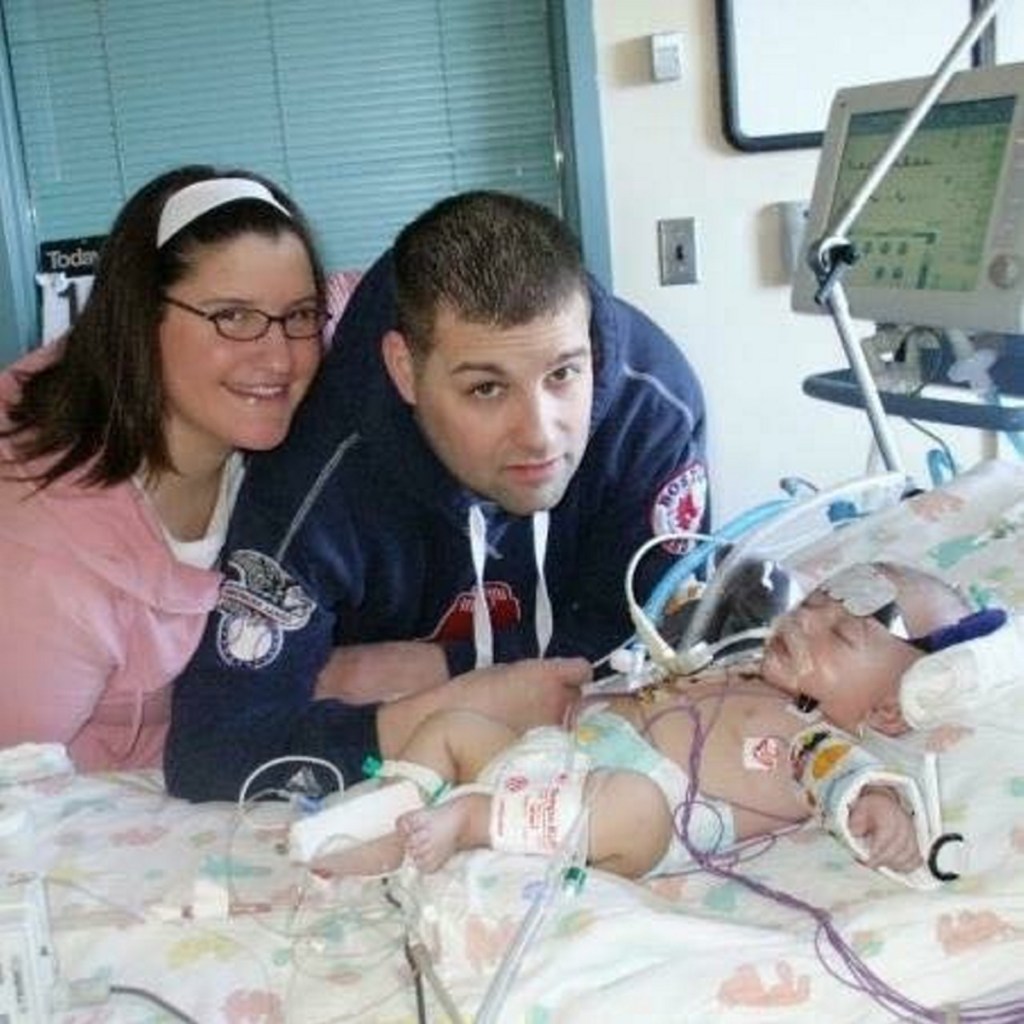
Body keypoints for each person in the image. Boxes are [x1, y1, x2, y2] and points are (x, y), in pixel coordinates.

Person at [166, 189, 709, 801]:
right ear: (404, 369)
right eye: (485, 389)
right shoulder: (317, 469)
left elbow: (676, 638)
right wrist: (443, 713)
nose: (539, 434)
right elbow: (209, 749)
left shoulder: (651, 405)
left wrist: (447, 668)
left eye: (563, 374)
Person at [367, 561, 1004, 882]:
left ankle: (472, 820)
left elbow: (834, 772)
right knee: (453, 724)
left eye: (841, 635)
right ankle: (383, 821)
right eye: (810, 604)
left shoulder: (804, 735)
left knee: (633, 804)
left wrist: (876, 803)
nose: (805, 624)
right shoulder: (741, 674)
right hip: (554, 760)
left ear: (886, 708)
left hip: (629, 818)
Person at [0, 166, 327, 770]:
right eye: (234, 316)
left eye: (301, 315)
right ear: (141, 320)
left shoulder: (249, 450)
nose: (279, 356)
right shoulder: (43, 561)